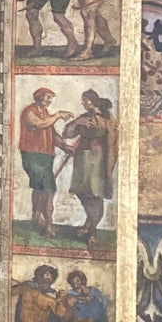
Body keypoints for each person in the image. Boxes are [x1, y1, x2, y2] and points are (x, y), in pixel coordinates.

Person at [62, 89, 118, 245]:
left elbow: (112, 144)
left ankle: (92, 231)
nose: (83, 103)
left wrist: (109, 169)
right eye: (83, 100)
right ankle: (89, 221)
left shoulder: (107, 119)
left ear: (93, 100)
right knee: (81, 192)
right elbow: (67, 134)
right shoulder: (83, 117)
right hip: (82, 160)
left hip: (97, 161)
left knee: (95, 195)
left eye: (85, 99)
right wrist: (76, 122)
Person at [16, 86, 71, 235]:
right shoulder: (30, 111)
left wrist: (65, 147)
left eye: (51, 98)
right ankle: (48, 226)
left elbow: (52, 134)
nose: (50, 100)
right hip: (33, 155)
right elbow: (40, 124)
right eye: (48, 97)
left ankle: (36, 217)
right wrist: (58, 115)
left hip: (46, 156)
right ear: (39, 96)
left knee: (39, 188)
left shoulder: (45, 114)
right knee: (48, 189)